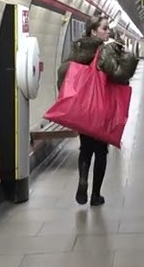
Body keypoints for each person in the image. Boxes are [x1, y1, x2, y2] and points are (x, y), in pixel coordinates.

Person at [57, 15, 138, 206]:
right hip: (102, 108)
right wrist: (121, 53)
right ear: (94, 31)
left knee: (85, 148)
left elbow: (64, 74)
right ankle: (96, 195)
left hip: (83, 109)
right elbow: (118, 74)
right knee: (101, 151)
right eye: (104, 28)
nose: (108, 31)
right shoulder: (105, 50)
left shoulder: (78, 49)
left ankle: (83, 179)